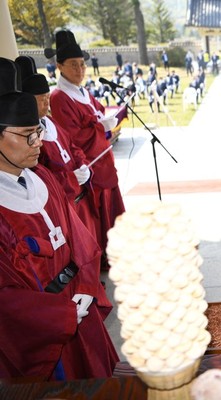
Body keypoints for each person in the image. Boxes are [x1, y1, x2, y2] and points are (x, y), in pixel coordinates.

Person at [0, 57, 118, 380]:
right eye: (26, 135)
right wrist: (60, 314)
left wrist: (86, 283)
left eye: (37, 132)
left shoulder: (44, 179)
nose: (38, 142)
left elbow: (80, 238)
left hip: (80, 306)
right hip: (46, 329)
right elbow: (7, 302)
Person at [45, 29, 125, 269]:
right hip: (89, 166)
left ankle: (117, 250)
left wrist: (104, 121)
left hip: (103, 160)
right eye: (73, 65)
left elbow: (99, 111)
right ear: (59, 66)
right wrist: (99, 126)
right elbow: (71, 136)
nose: (79, 70)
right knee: (98, 215)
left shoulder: (83, 91)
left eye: (82, 65)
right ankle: (103, 256)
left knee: (111, 210)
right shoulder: (59, 97)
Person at [15, 55, 100, 247]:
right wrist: (70, 178)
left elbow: (71, 146)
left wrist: (81, 164)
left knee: (89, 242)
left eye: (47, 98)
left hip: (80, 197)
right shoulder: (29, 136)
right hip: (63, 200)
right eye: (40, 100)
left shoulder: (51, 122)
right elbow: (41, 174)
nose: (47, 104)